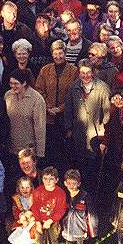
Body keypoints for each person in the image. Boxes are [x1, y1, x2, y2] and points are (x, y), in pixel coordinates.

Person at [63, 59, 110, 192]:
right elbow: (68, 109)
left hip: (96, 134)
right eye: (82, 73)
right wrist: (69, 129)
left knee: (94, 167)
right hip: (78, 134)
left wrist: (104, 137)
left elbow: (107, 113)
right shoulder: (74, 87)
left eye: (88, 72)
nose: (85, 76)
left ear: (93, 72)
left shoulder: (102, 88)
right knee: (80, 164)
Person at [35, 40, 78, 171]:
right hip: (49, 118)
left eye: (60, 53)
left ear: (65, 53)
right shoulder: (45, 70)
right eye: (55, 53)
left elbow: (74, 94)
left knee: (65, 153)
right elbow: (39, 89)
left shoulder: (74, 70)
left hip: (66, 118)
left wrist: (60, 108)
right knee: (50, 150)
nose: (58, 56)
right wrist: (48, 107)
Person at [31, 167, 67, 244]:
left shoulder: (60, 193)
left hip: (53, 222)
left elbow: (61, 209)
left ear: (56, 180)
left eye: (51, 179)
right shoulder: (37, 191)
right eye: (45, 178)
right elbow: (34, 207)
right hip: (40, 222)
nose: (47, 181)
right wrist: (37, 222)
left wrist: (51, 220)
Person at [61, 169, 98, 244]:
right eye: (69, 183)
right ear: (65, 183)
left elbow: (91, 214)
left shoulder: (85, 196)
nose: (71, 186)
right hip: (67, 229)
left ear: (79, 183)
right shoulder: (64, 195)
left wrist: (92, 230)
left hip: (80, 229)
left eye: (74, 183)